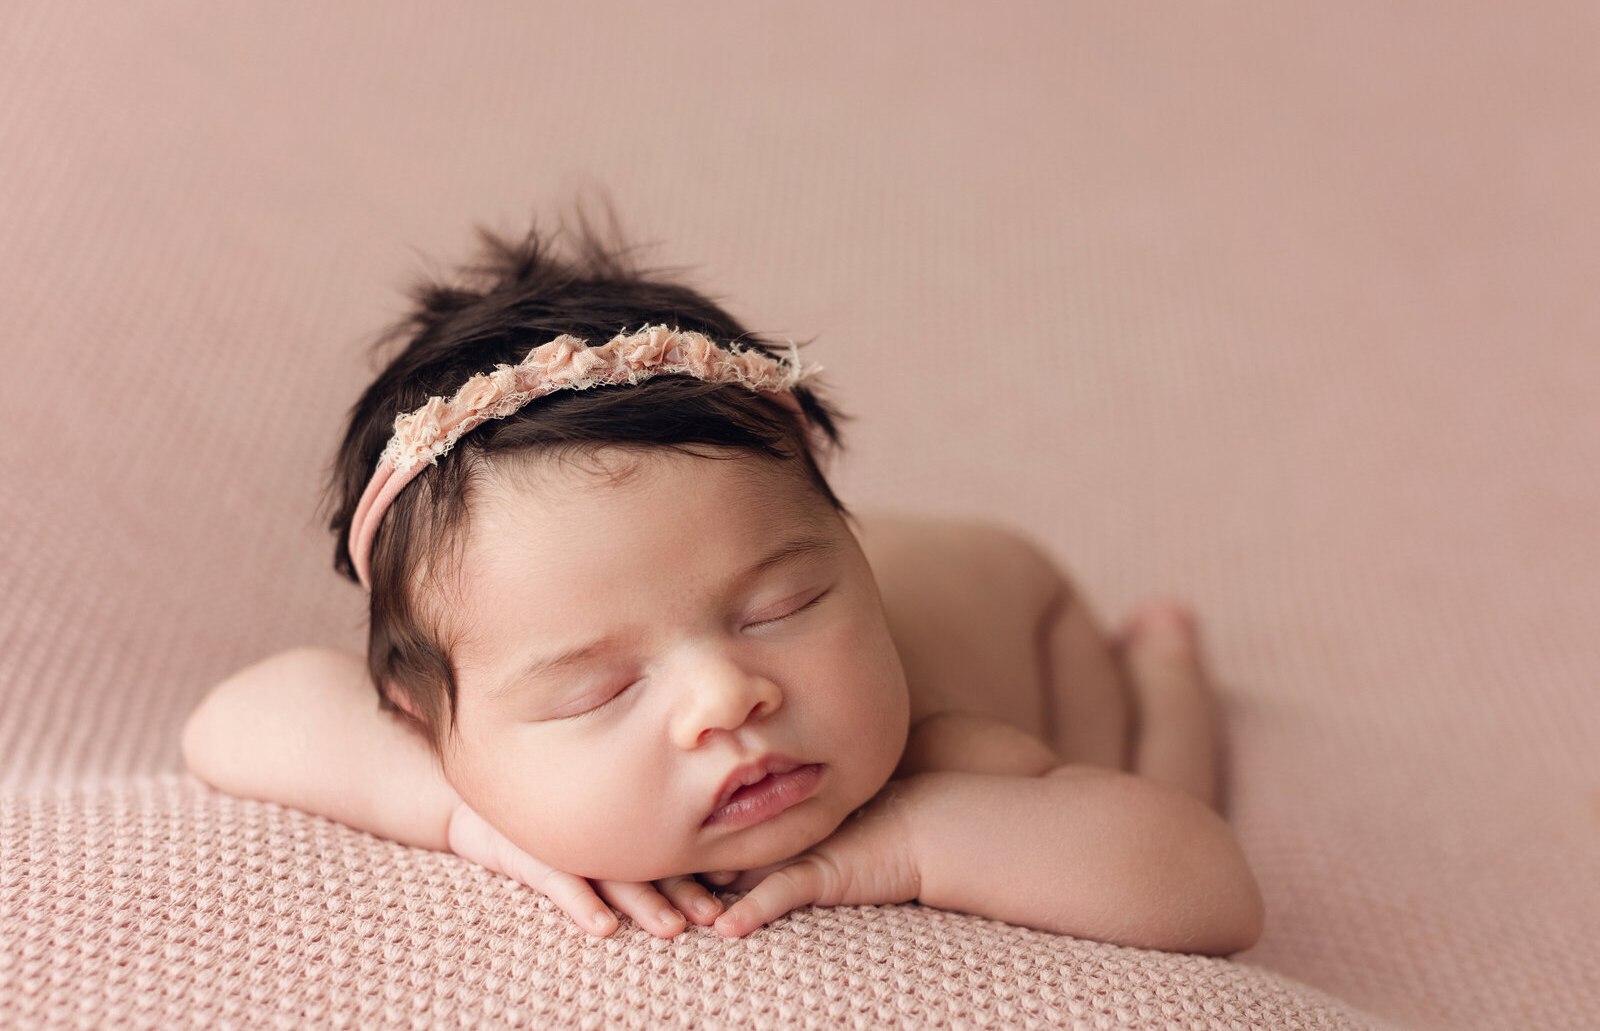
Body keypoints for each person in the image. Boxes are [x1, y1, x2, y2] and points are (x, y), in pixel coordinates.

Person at [181, 214, 1264, 954]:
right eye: (597, 688)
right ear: (429, 722)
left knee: (1149, 760)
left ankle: (1164, 666)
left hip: (1026, 613)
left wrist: (906, 841)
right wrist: (467, 817)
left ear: (849, 557)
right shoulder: (461, 738)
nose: (726, 696)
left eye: (783, 608)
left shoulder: (938, 747)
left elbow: (1207, 885)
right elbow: (231, 720)